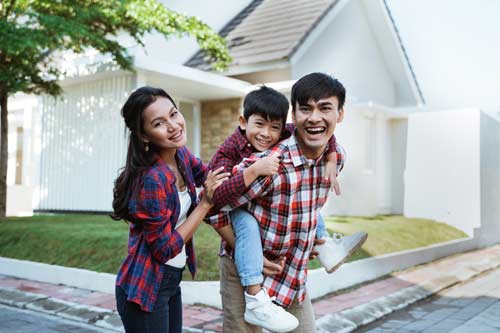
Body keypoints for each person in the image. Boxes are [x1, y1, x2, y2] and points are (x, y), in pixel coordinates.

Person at [211, 73, 368, 332]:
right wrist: (250, 253)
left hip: (292, 273)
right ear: (294, 117)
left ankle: (327, 245)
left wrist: (312, 239)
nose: (315, 118)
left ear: (340, 114)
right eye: (306, 109)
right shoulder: (268, 164)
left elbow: (307, 206)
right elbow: (214, 206)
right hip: (245, 272)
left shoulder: (335, 157)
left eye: (325, 108)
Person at [110, 86, 229, 333]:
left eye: (174, 114)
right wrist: (204, 204)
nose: (173, 125)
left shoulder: (181, 155)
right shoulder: (153, 179)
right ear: (145, 136)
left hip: (170, 280)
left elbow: (212, 175)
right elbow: (163, 249)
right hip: (146, 285)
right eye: (159, 123)